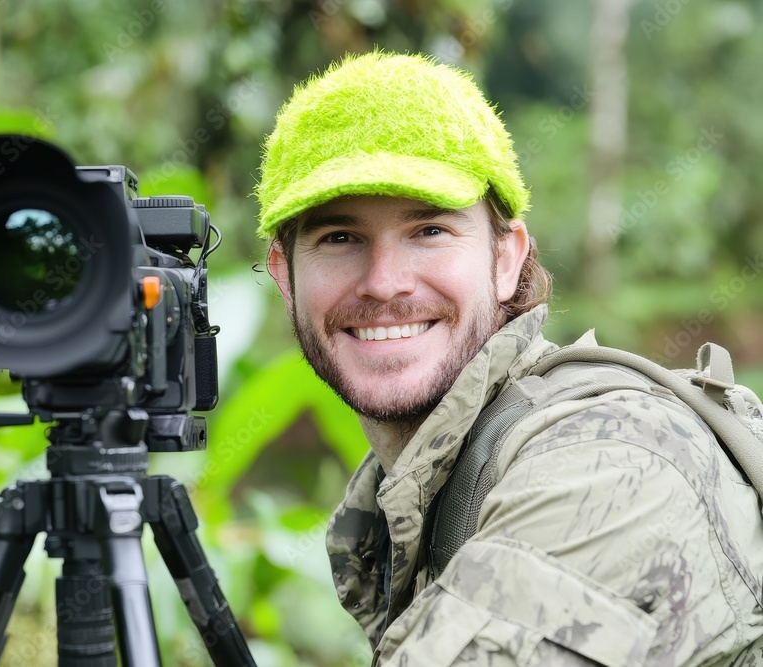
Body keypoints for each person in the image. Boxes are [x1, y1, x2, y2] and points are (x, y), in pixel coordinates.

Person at [254, 50, 763, 666]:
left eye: (429, 231)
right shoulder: (418, 496)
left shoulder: (611, 460)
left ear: (505, 259)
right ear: (284, 276)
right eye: (339, 238)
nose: (384, 283)